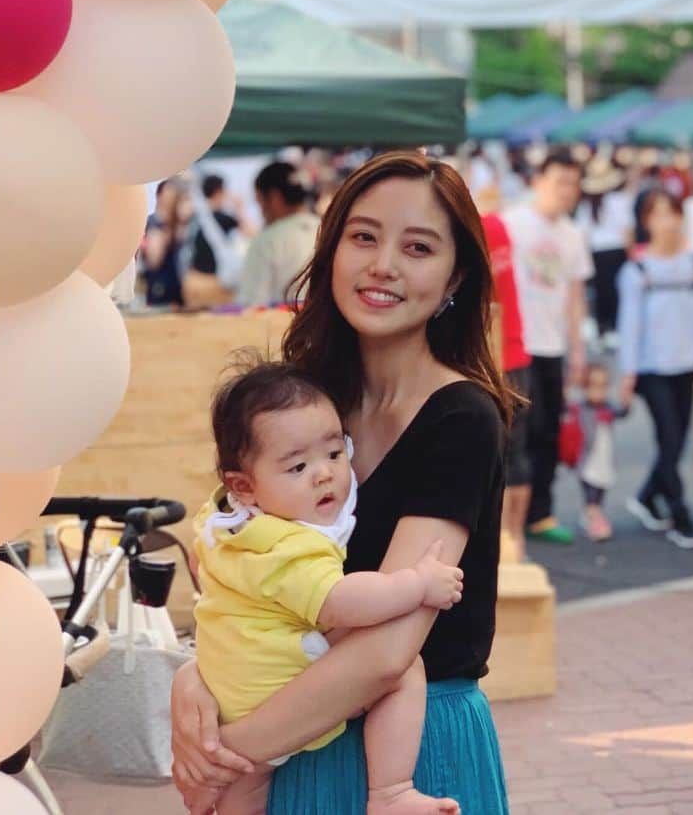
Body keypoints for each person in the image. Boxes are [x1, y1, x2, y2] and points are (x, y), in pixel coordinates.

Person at [170, 152, 516, 815]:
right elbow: (241, 568)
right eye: (364, 237)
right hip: (296, 743)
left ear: (455, 276)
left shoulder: (461, 418)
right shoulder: (300, 403)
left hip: (410, 753)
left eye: (417, 247)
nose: (383, 264)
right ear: (331, 251)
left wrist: (228, 758)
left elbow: (388, 651)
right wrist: (196, 677)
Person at [193, 362, 464, 815]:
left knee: (245, 790)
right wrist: (416, 583)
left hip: (232, 690)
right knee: (403, 670)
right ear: (243, 485)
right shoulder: (288, 547)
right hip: (282, 688)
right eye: (298, 466)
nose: (324, 474)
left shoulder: (224, 526)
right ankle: (391, 792)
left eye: (336, 454)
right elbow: (342, 603)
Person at [617, 189, 693, 550]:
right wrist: (628, 375)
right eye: (658, 214)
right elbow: (629, 326)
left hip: (685, 364)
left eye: (672, 212)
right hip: (651, 368)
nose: (667, 221)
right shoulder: (636, 271)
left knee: (676, 444)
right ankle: (680, 515)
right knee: (670, 438)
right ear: (646, 222)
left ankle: (646, 496)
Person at [502, 149, 592, 546]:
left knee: (548, 434)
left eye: (573, 184)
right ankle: (507, 522)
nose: (566, 191)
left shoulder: (573, 236)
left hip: (553, 346)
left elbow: (575, 297)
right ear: (538, 181)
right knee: (516, 433)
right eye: (559, 182)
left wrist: (578, 351)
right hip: (517, 346)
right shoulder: (512, 223)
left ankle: (541, 513)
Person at [477, 197, 533, 563]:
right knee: (516, 450)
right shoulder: (497, 226)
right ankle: (514, 540)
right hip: (512, 352)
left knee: (499, 453)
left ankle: (506, 539)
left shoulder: (480, 228)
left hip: (493, 357)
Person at [238, 162, 322, 309]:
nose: (261, 212)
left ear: (274, 198)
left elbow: (252, 306)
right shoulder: (328, 229)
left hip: (283, 328)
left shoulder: (267, 241)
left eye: (259, 202)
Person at [570, 363, 629, 542]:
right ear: (585, 387)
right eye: (594, 386)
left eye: (603, 387)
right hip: (587, 461)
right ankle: (595, 521)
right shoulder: (580, 408)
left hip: (603, 460)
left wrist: (626, 400)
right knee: (591, 494)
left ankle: (593, 517)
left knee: (601, 490)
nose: (599, 392)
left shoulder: (608, 408)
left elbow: (623, 412)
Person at [576, 159, 633, 343]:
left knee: (601, 293)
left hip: (597, 253)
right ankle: (615, 328)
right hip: (616, 252)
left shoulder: (587, 206)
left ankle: (603, 328)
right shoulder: (620, 200)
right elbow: (627, 231)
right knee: (617, 291)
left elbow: (583, 235)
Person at [183, 175, 246, 310]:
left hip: (193, 281)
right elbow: (250, 232)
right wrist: (240, 208)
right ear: (218, 192)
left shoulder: (194, 215)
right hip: (215, 284)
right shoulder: (224, 219)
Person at [142, 178, 189, 308]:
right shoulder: (154, 224)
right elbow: (153, 261)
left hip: (179, 289)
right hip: (160, 287)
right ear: (160, 196)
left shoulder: (179, 224)